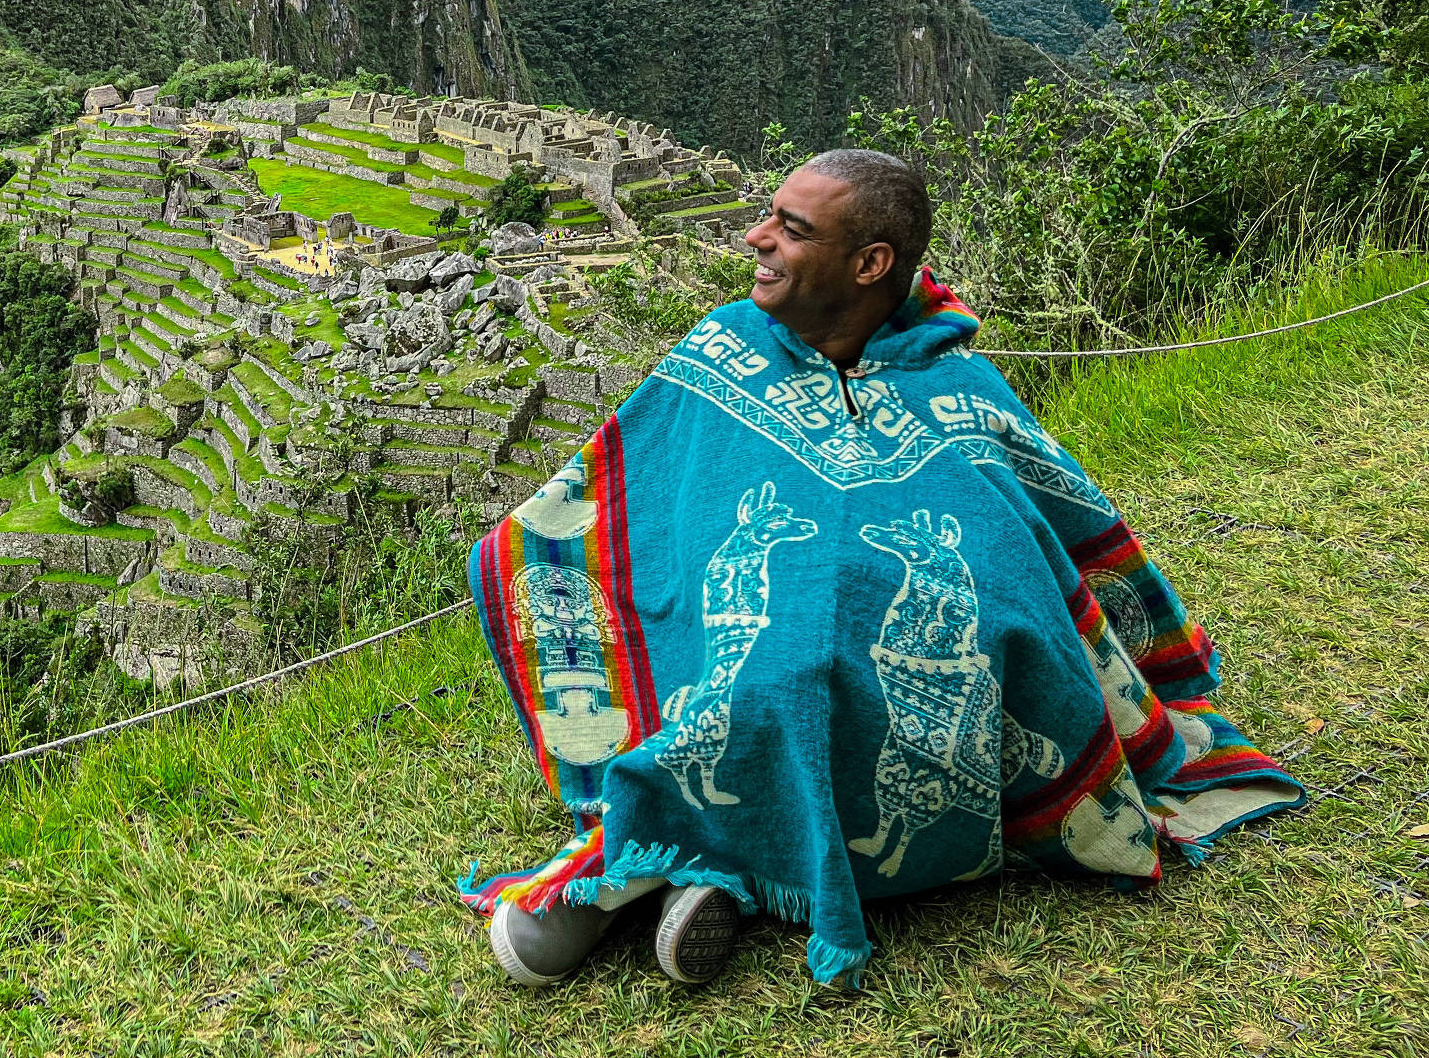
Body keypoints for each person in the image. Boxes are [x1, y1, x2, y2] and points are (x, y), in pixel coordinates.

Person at [458, 150, 1302, 989]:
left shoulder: (953, 379)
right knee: (766, 681)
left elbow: (1037, 527)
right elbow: (649, 486)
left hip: (921, 654)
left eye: (791, 230)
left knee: (918, 670)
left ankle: (672, 871)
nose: (757, 238)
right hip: (741, 628)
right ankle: (674, 864)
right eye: (769, 216)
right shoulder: (722, 348)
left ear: (868, 264)